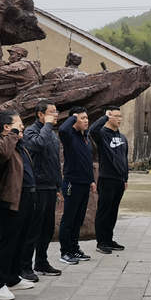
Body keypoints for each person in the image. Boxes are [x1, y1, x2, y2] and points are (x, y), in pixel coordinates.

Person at [0, 110, 37, 300]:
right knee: (5, 241)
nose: (22, 126)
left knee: (20, 239)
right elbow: (1, 155)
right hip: (9, 199)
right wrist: (13, 134)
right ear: (7, 127)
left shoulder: (19, 145)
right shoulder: (1, 142)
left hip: (26, 197)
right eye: (18, 123)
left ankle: (12, 277)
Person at [21, 99, 63, 280]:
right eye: (52, 112)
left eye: (56, 111)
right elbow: (37, 145)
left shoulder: (52, 134)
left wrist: (59, 185)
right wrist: (46, 126)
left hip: (50, 187)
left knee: (47, 229)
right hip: (36, 187)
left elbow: (55, 161)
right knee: (33, 229)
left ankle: (41, 262)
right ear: (40, 114)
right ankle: (24, 267)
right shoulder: (31, 131)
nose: (56, 115)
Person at [57, 106, 96, 264]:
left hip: (84, 183)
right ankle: (65, 252)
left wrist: (91, 180)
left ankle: (74, 248)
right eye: (82, 118)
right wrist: (73, 117)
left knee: (78, 219)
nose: (86, 121)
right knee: (69, 219)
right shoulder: (69, 136)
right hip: (72, 184)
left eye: (87, 118)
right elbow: (62, 129)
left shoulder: (85, 137)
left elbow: (87, 161)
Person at [90, 107, 129, 254]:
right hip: (107, 178)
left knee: (113, 211)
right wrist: (105, 117)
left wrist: (125, 178)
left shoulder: (123, 138)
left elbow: (124, 159)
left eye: (121, 116)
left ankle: (109, 239)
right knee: (104, 211)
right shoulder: (102, 134)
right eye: (116, 116)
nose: (119, 119)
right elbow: (92, 130)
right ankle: (101, 242)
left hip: (119, 179)